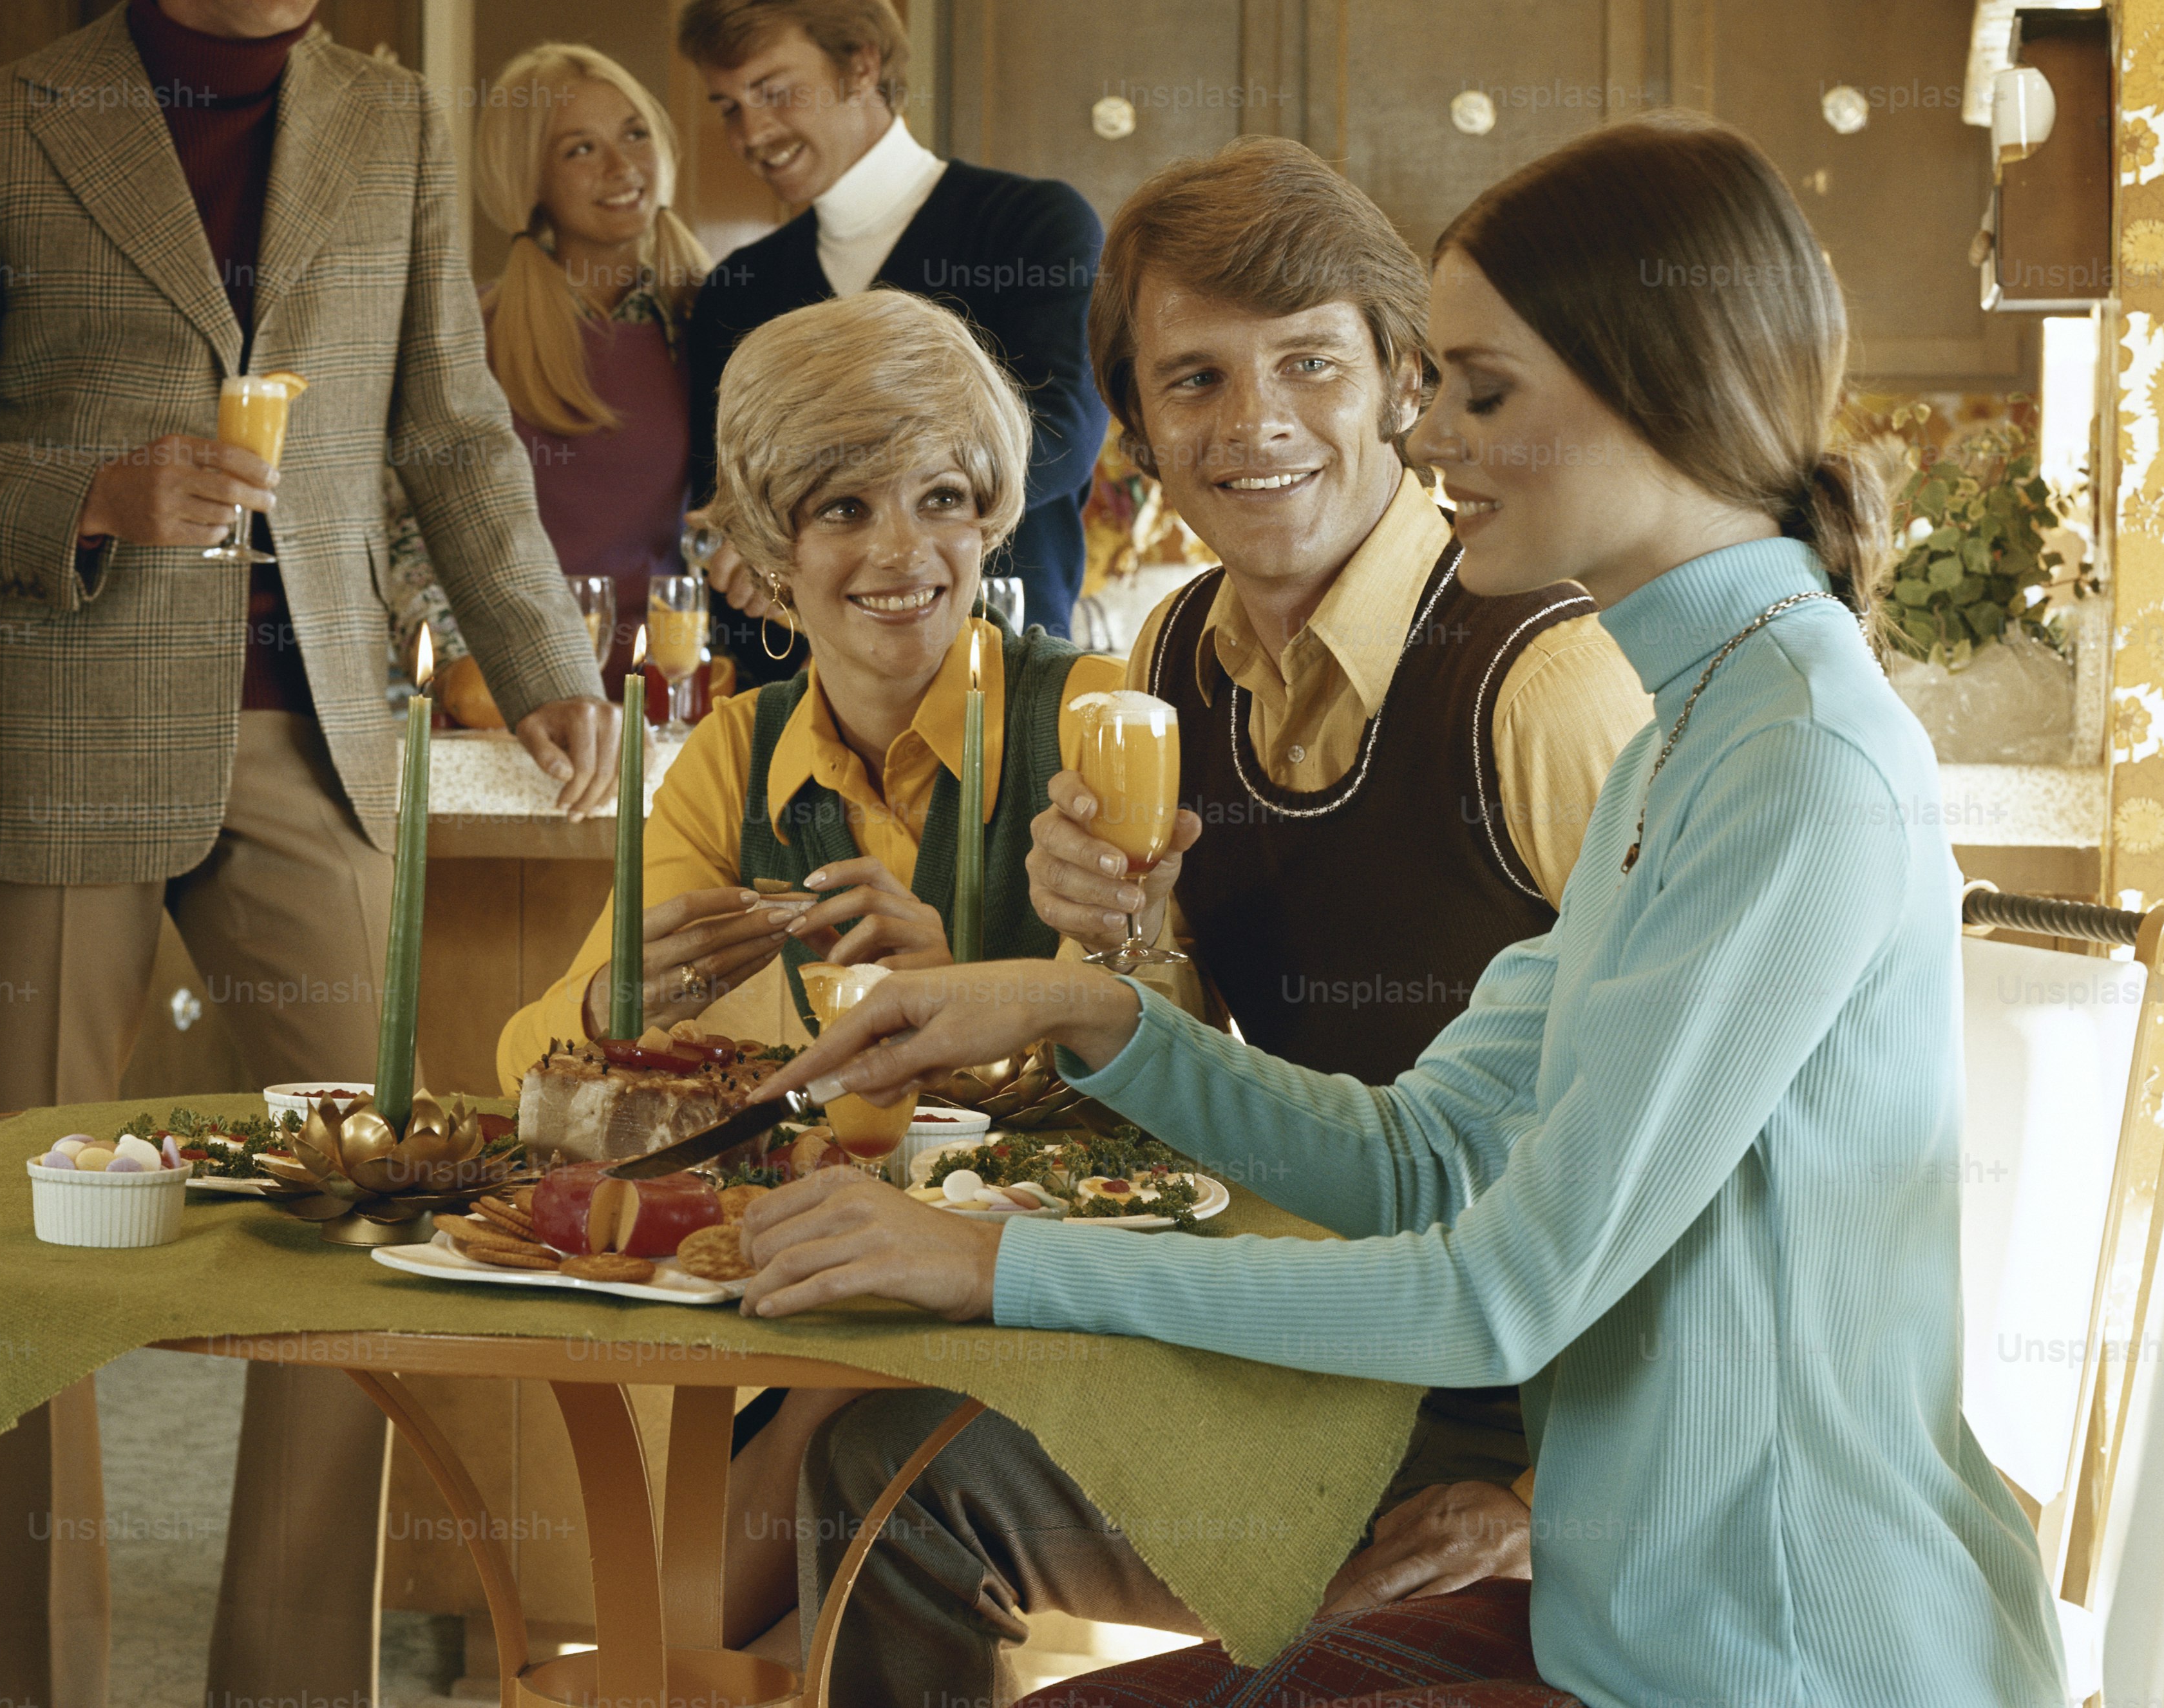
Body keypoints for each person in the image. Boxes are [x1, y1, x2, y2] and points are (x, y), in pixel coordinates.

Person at [736, 116, 2070, 1708]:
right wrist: (1086, 1007)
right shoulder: (1699, 723)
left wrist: (990, 1265)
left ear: (1658, 388)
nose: (1425, 434)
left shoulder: (1791, 757)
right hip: (1624, 1634)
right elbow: (1426, 1155)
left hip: (1782, 1667)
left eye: (1479, 392)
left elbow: (1498, 1289)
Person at [0, 0, 617, 1708]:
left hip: (315, 738)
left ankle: (289, 1679)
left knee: (371, 1216)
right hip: (53, 740)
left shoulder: (391, 125)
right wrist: (89, 493)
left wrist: (541, 656)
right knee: (31, 1247)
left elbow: (449, 426)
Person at [790, 137, 1653, 1708]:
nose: (1252, 422)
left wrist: (1551, 1504)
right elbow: (1206, 1092)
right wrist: (1130, 945)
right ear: (1135, 426)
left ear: (1401, 383)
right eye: (1193, 379)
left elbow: (1717, 1150)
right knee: (889, 1478)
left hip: (1550, 1421)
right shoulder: (1173, 657)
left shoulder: (1542, 681)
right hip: (1320, 1360)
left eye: (1307, 363)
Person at [491, 288, 1133, 1651]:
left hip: (1060, 1290)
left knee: (697, 1609)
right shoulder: (735, 755)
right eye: (846, 507)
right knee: (755, 1549)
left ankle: (663, 1647)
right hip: (836, 1291)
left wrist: (972, 999)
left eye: (943, 497)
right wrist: (613, 1007)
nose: (903, 550)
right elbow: (526, 1073)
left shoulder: (1093, 716)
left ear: (992, 515)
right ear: (770, 552)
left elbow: (1157, 1068)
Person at [678, 0, 1105, 654]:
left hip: (995, 674)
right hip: (794, 689)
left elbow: (1059, 433)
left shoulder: (1030, 227)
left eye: (774, 91)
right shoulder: (740, 289)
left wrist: (815, 513)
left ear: (861, 63)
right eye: (728, 106)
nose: (751, 132)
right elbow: (719, 496)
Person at [381, 43, 710, 720]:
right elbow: (410, 533)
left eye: (635, 134)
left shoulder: (707, 323)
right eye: (580, 149)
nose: (622, 167)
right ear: (529, 179)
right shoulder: (467, 332)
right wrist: (461, 675)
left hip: (670, 698)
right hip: (510, 700)